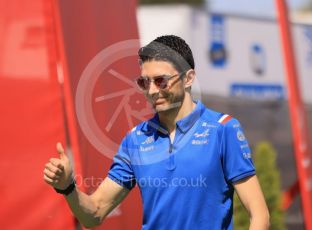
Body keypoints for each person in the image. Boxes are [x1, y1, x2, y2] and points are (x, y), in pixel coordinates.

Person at [43, 35, 270, 229]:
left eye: (161, 81)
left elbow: (259, 215)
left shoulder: (224, 129)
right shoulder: (135, 140)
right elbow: (94, 213)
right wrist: (67, 187)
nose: (152, 91)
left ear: (188, 78)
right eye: (144, 82)